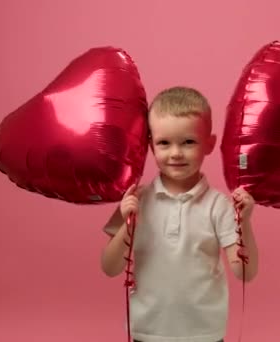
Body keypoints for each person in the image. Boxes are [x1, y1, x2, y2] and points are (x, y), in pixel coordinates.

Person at [100, 86, 259, 342]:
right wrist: (126, 225)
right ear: (150, 145)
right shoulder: (135, 200)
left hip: (204, 334)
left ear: (209, 144)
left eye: (188, 142)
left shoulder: (218, 205)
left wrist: (246, 222)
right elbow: (109, 268)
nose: (176, 153)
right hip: (146, 332)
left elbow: (245, 273)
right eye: (164, 143)